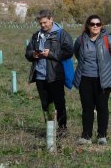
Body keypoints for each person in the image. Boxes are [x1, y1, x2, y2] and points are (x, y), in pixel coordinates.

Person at [74, 15, 111, 145]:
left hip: (103, 81)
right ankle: (86, 136)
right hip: (85, 79)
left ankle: (102, 136)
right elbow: (77, 54)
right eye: (92, 24)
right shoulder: (80, 40)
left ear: (101, 25)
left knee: (102, 107)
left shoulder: (108, 40)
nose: (95, 26)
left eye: (98, 24)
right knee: (87, 108)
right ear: (88, 25)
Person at [25, 9, 73, 137]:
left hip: (55, 75)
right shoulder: (36, 35)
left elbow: (69, 52)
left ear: (51, 19)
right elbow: (28, 52)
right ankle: (49, 130)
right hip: (40, 75)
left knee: (59, 103)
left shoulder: (62, 34)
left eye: (45, 22)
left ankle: (62, 129)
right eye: (40, 23)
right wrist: (33, 54)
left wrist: (50, 54)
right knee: (45, 104)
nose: (43, 25)